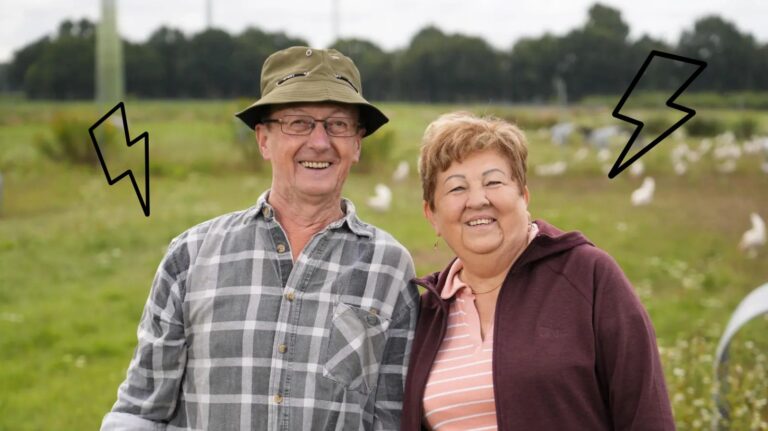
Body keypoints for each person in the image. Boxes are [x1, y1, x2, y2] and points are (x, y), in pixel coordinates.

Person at [101, 46, 419, 431]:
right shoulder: (191, 255)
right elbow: (139, 412)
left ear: (357, 144)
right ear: (263, 140)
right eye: (298, 123)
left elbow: (393, 419)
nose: (320, 142)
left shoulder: (389, 267)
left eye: (338, 124)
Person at [401, 112, 675, 430]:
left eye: (493, 182)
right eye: (456, 188)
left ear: (524, 195)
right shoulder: (427, 313)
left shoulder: (588, 276)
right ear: (432, 215)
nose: (477, 200)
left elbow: (646, 414)